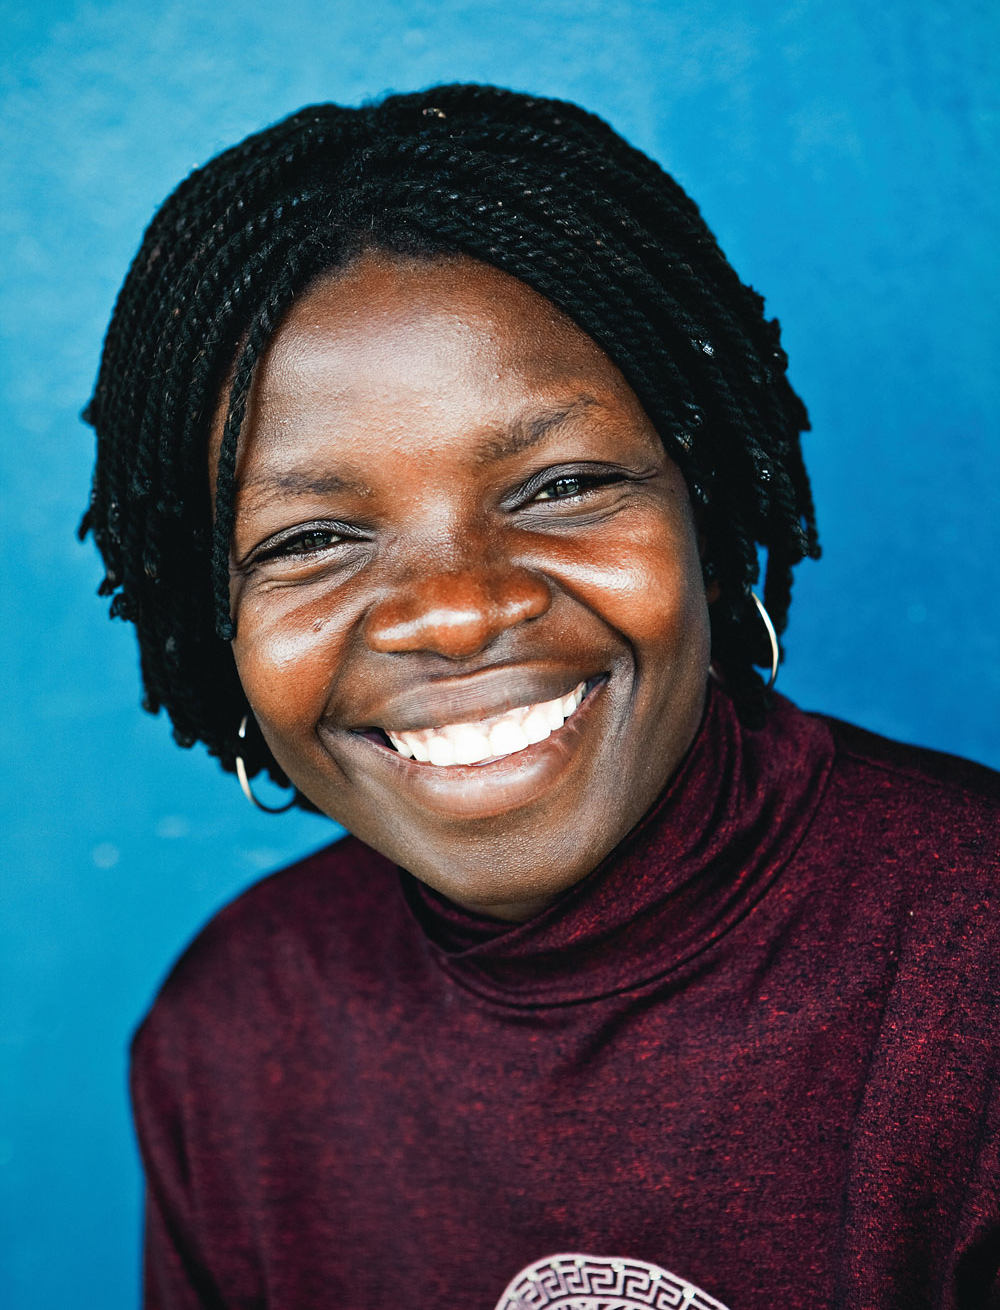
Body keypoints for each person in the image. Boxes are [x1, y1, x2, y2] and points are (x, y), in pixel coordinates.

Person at [81, 85, 1000, 1310]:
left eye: (561, 485)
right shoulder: (237, 1037)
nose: (455, 610)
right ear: (211, 627)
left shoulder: (969, 971)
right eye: (308, 540)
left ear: (708, 512)